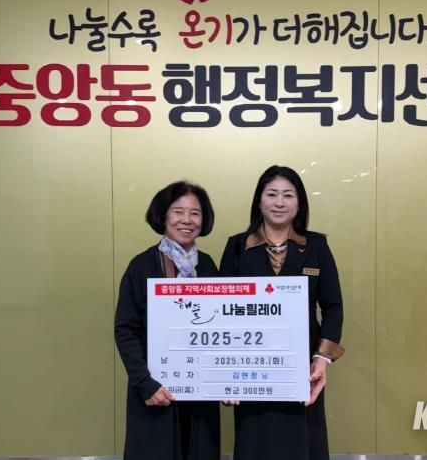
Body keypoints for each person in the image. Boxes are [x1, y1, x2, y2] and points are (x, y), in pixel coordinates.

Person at [219, 165, 344, 460]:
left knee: (302, 443)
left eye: (288, 195)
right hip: (251, 364)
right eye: (271, 194)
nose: (279, 202)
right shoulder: (237, 246)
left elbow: (333, 306)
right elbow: (221, 309)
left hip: (302, 366)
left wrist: (322, 359)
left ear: (299, 203)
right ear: (259, 201)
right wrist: (224, 371)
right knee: (255, 441)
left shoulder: (316, 246)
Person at [115, 181, 220, 460]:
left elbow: (222, 328)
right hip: (155, 389)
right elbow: (125, 330)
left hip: (201, 392)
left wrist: (226, 380)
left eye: (195, 213)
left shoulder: (208, 266)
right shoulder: (141, 266)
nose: (187, 220)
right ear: (163, 216)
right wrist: (145, 383)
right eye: (178, 212)